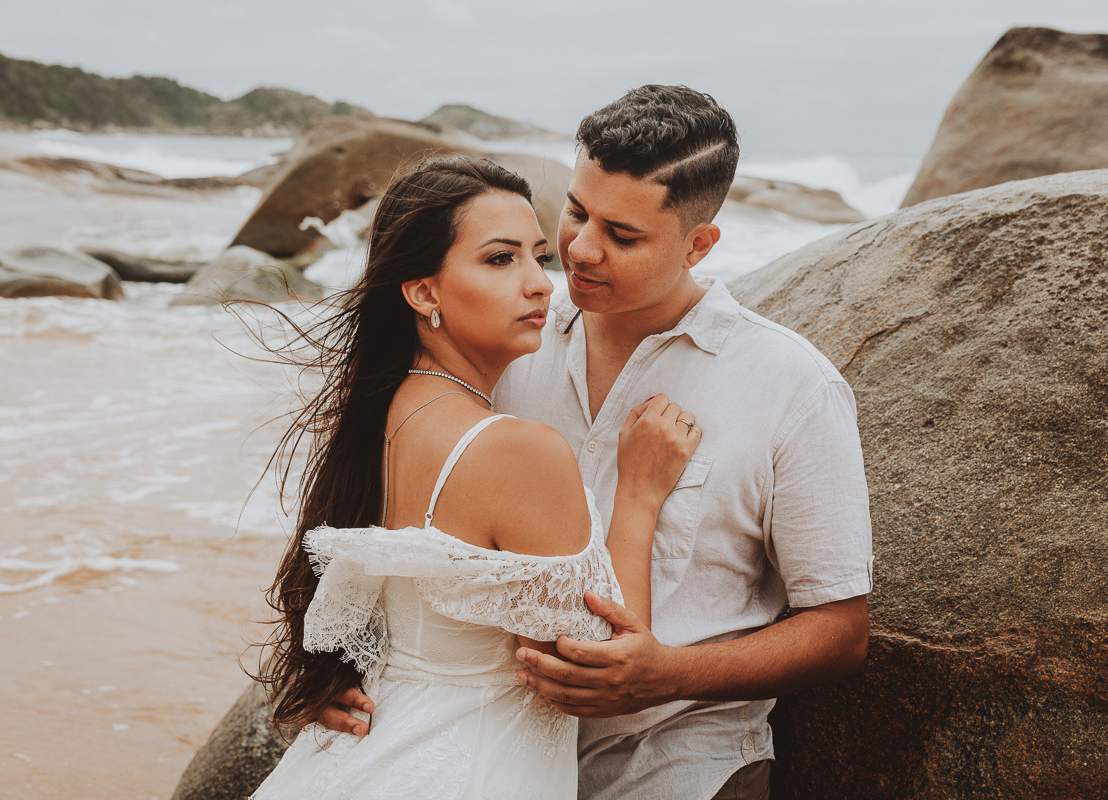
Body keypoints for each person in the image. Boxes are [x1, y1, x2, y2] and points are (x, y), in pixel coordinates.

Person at [319, 86, 874, 800]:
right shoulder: (510, 336)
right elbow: (390, 519)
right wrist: (331, 668)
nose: (579, 249)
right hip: (489, 753)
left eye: (623, 234)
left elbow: (841, 630)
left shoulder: (790, 385)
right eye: (576, 211)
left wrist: (668, 674)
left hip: (677, 764)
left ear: (698, 244)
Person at [249, 155, 702, 799]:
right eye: (499, 259)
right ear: (423, 291)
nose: (542, 284)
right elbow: (594, 669)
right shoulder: (515, 448)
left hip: (366, 755)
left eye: (538, 257)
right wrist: (638, 494)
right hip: (468, 768)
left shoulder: (380, 414)